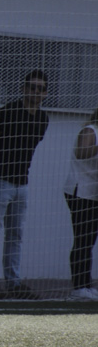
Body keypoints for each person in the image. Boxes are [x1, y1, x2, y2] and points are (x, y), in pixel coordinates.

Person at [0, 70, 49, 300]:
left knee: (15, 234)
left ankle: (14, 283)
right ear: (24, 88)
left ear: (45, 93)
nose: (35, 92)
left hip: (21, 184)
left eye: (40, 88)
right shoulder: (10, 110)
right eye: (32, 87)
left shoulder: (43, 119)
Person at [63, 108, 98, 301]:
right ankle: (78, 288)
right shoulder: (91, 131)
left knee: (89, 240)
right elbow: (82, 152)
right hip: (80, 191)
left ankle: (86, 285)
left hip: (93, 194)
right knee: (83, 239)